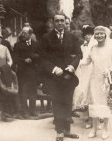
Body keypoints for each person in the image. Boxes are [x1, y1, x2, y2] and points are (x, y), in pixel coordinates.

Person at [40, 12, 81, 141]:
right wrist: (53, 68)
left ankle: (67, 130)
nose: (60, 23)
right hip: (54, 77)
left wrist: (72, 66)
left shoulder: (72, 37)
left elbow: (79, 55)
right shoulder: (46, 38)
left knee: (68, 102)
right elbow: (42, 58)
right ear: (53, 22)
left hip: (68, 77)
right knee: (57, 103)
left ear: (65, 21)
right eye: (57, 21)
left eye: (62, 21)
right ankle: (59, 132)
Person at [81, 26, 112, 140]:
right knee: (94, 102)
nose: (99, 36)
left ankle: (105, 129)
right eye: (97, 34)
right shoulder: (93, 48)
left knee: (106, 103)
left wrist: (110, 70)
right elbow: (87, 61)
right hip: (94, 79)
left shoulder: (111, 48)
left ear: (105, 35)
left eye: (101, 34)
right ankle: (94, 129)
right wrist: (77, 63)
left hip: (107, 81)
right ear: (94, 35)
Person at [13, 26, 41, 118]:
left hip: (33, 73)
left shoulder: (36, 44)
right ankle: (24, 112)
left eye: (25, 33)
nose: (23, 35)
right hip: (22, 73)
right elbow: (15, 58)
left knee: (33, 92)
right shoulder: (17, 45)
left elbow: (40, 56)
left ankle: (32, 111)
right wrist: (24, 60)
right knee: (23, 93)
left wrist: (32, 58)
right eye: (22, 33)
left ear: (30, 34)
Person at [72, 25, 94, 127]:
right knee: (84, 93)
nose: (87, 37)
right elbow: (81, 58)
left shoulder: (95, 46)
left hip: (93, 70)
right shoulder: (81, 46)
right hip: (83, 70)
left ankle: (95, 116)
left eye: (89, 34)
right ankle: (87, 116)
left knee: (92, 93)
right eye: (86, 35)